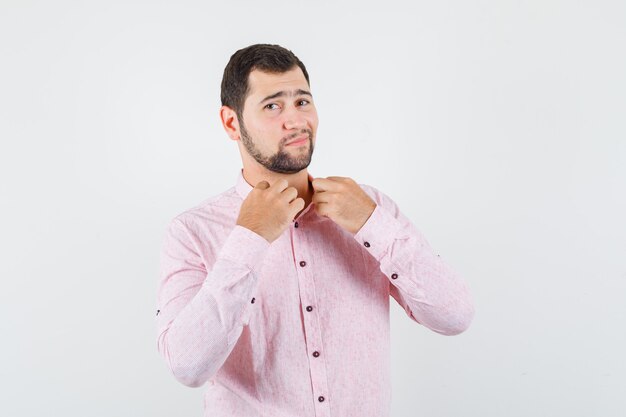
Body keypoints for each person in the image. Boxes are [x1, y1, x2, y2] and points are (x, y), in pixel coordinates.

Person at [155, 43, 475, 417]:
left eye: (302, 102)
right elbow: (187, 366)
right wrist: (250, 239)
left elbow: (455, 316)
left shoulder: (370, 208)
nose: (295, 121)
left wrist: (372, 225)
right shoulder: (192, 232)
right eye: (273, 106)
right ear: (231, 122)